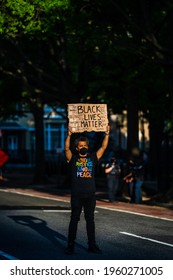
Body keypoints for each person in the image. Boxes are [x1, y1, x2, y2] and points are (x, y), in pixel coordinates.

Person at [65, 124, 110, 255]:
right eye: (81, 146)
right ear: (77, 148)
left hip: (90, 195)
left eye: (85, 145)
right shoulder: (73, 158)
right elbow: (66, 148)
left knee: (90, 220)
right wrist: (69, 135)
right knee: (74, 219)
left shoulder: (92, 158)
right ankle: (70, 245)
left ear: (87, 146)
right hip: (77, 195)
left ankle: (92, 245)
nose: (83, 147)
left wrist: (107, 134)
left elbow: (103, 147)